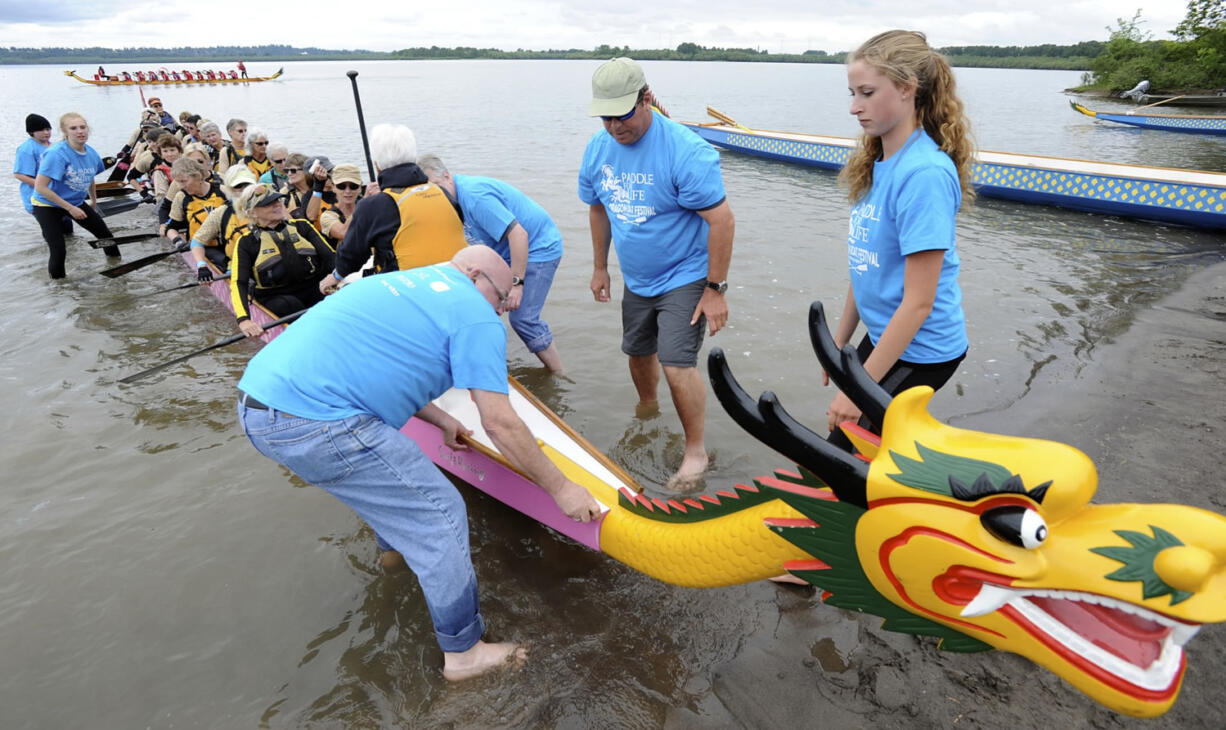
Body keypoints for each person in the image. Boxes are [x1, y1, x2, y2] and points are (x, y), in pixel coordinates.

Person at [236, 244, 601, 680]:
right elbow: (501, 423)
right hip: (315, 423)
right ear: (473, 276)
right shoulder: (475, 314)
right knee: (441, 514)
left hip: (258, 408)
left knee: (384, 480)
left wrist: (442, 417)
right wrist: (562, 489)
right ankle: (465, 654)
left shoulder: (401, 283)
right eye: (502, 300)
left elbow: (383, 370)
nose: (500, 312)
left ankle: (393, 560)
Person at [578, 57, 735, 487]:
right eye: (605, 117)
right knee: (637, 350)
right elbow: (598, 208)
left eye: (623, 115)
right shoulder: (598, 148)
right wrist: (599, 267)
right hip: (638, 277)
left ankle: (695, 452)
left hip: (685, 273)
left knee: (675, 361)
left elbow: (721, 220)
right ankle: (648, 409)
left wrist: (715, 289)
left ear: (646, 98)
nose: (614, 126)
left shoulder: (686, 151)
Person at [824, 30, 974, 443]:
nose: (855, 107)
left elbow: (919, 301)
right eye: (852, 93)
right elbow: (866, 266)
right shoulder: (877, 162)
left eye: (867, 93)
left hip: (924, 350)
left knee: (846, 445)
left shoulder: (923, 174)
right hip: (886, 332)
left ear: (907, 89)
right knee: (855, 442)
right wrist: (838, 345)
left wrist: (858, 389)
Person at [420, 154, 565, 373]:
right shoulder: (444, 202)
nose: (436, 195)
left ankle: (558, 374)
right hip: (502, 252)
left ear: (448, 176)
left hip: (537, 247)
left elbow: (519, 235)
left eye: (437, 186)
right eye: (430, 192)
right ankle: (480, 363)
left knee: (522, 319)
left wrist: (517, 285)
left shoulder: (476, 198)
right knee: (471, 303)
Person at [318, 124, 466, 293]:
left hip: (411, 291)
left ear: (377, 166)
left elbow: (352, 256)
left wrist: (335, 276)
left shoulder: (373, 205)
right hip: (454, 281)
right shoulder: (441, 192)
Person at [229, 183, 334, 336]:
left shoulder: (302, 227)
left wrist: (339, 279)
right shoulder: (246, 243)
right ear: (252, 213)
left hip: (314, 287)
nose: (276, 205)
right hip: (276, 297)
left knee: (335, 297)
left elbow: (331, 258)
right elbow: (239, 283)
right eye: (267, 204)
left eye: (277, 200)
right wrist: (244, 319)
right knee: (291, 305)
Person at [31, 113, 120, 278]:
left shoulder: (91, 153)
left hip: (75, 201)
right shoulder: (56, 154)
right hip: (47, 205)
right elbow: (40, 187)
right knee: (58, 249)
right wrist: (70, 208)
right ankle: (60, 289)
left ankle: (118, 269)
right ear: (65, 131)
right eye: (73, 128)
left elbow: (90, 176)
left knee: (106, 236)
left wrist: (93, 199)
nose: (80, 131)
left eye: (82, 127)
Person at [188, 165, 256, 279]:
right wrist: (201, 265)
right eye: (239, 186)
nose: (245, 191)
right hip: (238, 268)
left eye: (248, 186)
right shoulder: (221, 213)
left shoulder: (271, 205)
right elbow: (197, 241)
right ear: (230, 190)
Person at [13, 113, 68, 235]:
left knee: (67, 228)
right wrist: (43, 186)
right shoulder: (26, 149)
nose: (46, 132)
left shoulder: (53, 146)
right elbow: (19, 175)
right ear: (32, 132)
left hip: (58, 196)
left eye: (48, 129)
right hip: (37, 198)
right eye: (41, 130)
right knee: (52, 230)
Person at [164, 156, 227, 254]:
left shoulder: (223, 191)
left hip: (227, 243)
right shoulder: (181, 197)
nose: (181, 186)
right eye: (178, 182)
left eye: (183, 181)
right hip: (201, 247)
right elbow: (171, 228)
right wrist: (178, 241)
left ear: (198, 176)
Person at [318, 163, 362, 248]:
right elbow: (344, 233)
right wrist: (365, 204)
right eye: (341, 186)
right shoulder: (327, 216)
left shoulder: (369, 210)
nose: (348, 191)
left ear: (360, 188)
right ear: (333, 187)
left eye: (353, 186)